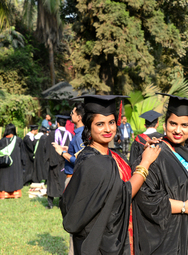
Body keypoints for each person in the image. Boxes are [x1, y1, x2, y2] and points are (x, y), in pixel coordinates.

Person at [60, 95, 161, 255]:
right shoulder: (94, 162)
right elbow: (124, 193)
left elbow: (123, 176)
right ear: (89, 126)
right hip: (103, 241)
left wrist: (143, 154)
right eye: (100, 124)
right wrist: (145, 163)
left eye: (111, 122)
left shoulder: (110, 155)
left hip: (115, 232)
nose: (108, 129)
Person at [133, 93, 188, 255]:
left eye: (184, 125)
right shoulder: (154, 153)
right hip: (169, 237)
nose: (178, 130)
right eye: (173, 124)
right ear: (164, 125)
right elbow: (146, 198)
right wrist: (184, 207)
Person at [52, 103, 85, 255]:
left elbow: (80, 160)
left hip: (73, 179)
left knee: (73, 219)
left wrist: (61, 152)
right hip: (76, 179)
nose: (70, 116)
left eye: (72, 113)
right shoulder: (81, 134)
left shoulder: (79, 135)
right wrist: (67, 149)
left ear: (79, 116)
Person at [46, 115, 73, 209]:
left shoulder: (52, 134)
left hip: (54, 162)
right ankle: (61, 203)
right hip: (65, 161)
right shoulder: (70, 134)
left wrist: (49, 160)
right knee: (62, 181)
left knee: (52, 182)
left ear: (57, 123)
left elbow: (48, 148)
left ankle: (50, 204)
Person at [0, 124, 26, 199]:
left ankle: (3, 193)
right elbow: (23, 154)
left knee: (4, 177)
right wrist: (23, 164)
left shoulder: (1, 141)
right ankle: (16, 193)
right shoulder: (18, 140)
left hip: (4, 164)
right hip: (16, 165)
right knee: (15, 177)